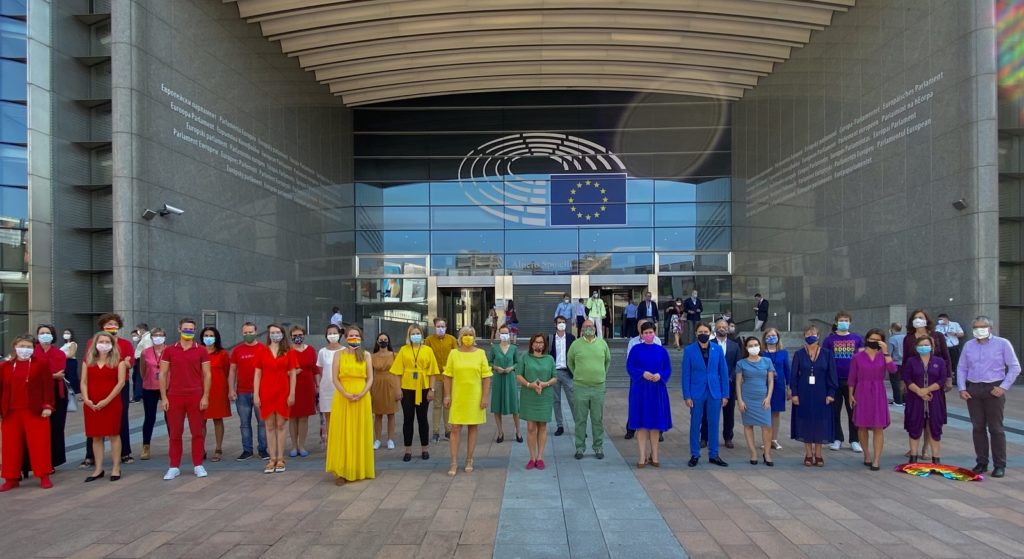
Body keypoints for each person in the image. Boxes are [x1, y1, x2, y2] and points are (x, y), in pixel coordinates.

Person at [957, 316, 1020, 478]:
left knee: (996, 428)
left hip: (994, 387)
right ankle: (982, 462)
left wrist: (1003, 387)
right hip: (974, 388)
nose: (980, 329)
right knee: (977, 427)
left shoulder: (1002, 343)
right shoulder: (969, 345)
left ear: (990, 328)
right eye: (976, 327)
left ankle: (999, 465)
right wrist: (962, 388)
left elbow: (1014, 367)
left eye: (983, 326)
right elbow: (962, 367)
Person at [0, 335, 55, 491]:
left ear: (33, 348)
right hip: (10, 413)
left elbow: (48, 387)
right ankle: (11, 478)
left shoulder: (41, 364)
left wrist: (47, 406)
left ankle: (44, 476)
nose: (25, 349)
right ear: (15, 347)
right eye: (22, 345)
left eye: (28, 346)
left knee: (40, 444)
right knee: (10, 447)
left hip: (35, 411)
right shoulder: (5, 366)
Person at [159, 319, 212, 480]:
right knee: (175, 433)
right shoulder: (169, 350)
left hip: (195, 395)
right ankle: (174, 466)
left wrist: (205, 396)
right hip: (175, 395)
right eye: (185, 329)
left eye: (191, 329)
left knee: (197, 432)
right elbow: (162, 374)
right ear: (179, 329)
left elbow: (207, 374)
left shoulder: (201, 350)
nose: (188, 331)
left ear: (195, 331)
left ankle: (198, 464)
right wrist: (164, 397)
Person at [81, 313, 136, 468]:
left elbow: (128, 363)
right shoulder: (92, 342)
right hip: (96, 387)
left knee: (119, 423)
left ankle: (124, 453)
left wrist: (123, 364)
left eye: (114, 324)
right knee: (94, 426)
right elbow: (89, 362)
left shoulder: (125, 344)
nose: (111, 326)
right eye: (107, 324)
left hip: (118, 386)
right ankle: (90, 456)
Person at [326, 326, 375, 485]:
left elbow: (370, 378)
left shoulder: (366, 355)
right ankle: (341, 471)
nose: (354, 338)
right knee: (343, 433)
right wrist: (345, 393)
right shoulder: (338, 355)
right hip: (343, 397)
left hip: (362, 397)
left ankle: (359, 468)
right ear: (345, 337)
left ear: (361, 337)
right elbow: (335, 378)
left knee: (359, 431)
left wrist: (362, 393)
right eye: (351, 336)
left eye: (357, 336)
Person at [902, 309, 953, 459]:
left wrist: (948, 378)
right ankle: (914, 450)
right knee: (916, 416)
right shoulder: (909, 338)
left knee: (932, 417)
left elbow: (946, 357)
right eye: (915, 318)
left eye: (921, 317)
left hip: (934, 380)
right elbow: (905, 360)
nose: (918, 320)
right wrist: (905, 382)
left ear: (926, 320)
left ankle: (926, 448)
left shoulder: (937, 336)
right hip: (915, 379)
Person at [442, 326, 492, 476]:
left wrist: (484, 397)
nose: (468, 337)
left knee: (472, 427)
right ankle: (453, 462)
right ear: (460, 337)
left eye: (471, 334)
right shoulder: (454, 354)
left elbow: (486, 377)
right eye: (465, 334)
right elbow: (447, 375)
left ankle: (469, 459)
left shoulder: (481, 354)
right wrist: (447, 395)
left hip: (474, 397)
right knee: (455, 428)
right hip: (458, 396)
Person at [81, 332, 127, 482]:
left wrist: (107, 400)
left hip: (111, 403)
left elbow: (121, 383)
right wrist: (86, 399)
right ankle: (98, 468)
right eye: (101, 341)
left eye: (107, 342)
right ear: (95, 343)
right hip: (92, 404)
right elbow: (83, 381)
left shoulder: (118, 361)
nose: (104, 344)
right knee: (96, 437)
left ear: (112, 345)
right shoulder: (88, 361)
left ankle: (115, 467)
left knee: (114, 435)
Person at [682, 323, 729, 467]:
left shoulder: (717, 349)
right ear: (696, 333)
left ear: (710, 333)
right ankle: (695, 454)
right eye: (700, 331)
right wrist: (687, 395)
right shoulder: (689, 350)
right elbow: (686, 374)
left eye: (706, 331)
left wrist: (725, 394)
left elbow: (724, 372)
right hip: (696, 392)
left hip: (714, 391)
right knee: (695, 423)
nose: (703, 333)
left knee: (714, 423)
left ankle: (714, 454)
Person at [790, 325, 837, 467]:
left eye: (813, 333)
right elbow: (794, 376)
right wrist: (794, 394)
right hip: (803, 393)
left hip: (821, 393)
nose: (811, 335)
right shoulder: (799, 354)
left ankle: (819, 454)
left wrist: (831, 393)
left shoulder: (827, 354)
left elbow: (832, 375)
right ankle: (808, 454)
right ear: (804, 336)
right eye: (808, 333)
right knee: (805, 422)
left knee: (820, 422)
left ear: (818, 336)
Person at [391, 324, 439, 462]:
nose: (415, 335)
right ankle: (408, 450)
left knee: (423, 419)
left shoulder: (428, 350)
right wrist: (397, 389)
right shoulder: (403, 350)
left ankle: (425, 448)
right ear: (409, 336)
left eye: (418, 333)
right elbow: (396, 372)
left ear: (421, 335)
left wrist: (432, 389)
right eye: (413, 333)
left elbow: (433, 372)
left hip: (423, 387)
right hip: (407, 388)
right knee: (408, 419)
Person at [254, 324, 298, 474]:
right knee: (269, 425)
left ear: (282, 334)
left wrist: (292, 393)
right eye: (272, 332)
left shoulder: (289, 352)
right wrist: (256, 394)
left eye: (278, 332)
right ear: (268, 334)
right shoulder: (262, 351)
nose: (275, 335)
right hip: (266, 391)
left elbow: (293, 373)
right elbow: (257, 374)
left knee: (281, 424)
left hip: (282, 392)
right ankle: (271, 458)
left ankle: (280, 458)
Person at [626, 322, 671, 467]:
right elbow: (630, 366)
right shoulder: (635, 349)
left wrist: (660, 375)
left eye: (650, 332)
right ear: (641, 334)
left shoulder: (661, 351)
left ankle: (655, 456)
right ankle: (641, 456)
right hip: (640, 389)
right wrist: (642, 373)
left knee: (655, 424)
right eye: (645, 333)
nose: (648, 335)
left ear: (655, 333)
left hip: (657, 389)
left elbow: (667, 369)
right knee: (642, 424)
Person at [849, 329, 895, 471]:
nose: (874, 342)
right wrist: (851, 394)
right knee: (862, 425)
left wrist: (886, 352)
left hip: (878, 391)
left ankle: (876, 459)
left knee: (878, 426)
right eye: (872, 339)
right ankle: (867, 455)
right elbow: (852, 377)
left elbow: (893, 370)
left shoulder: (883, 356)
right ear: (867, 339)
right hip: (862, 391)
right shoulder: (858, 357)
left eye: (878, 339)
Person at [569, 318, 611, 460]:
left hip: (598, 387)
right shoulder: (575, 345)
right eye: (586, 326)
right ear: (581, 329)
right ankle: (579, 448)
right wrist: (578, 374)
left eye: (591, 326)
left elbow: (607, 361)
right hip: (581, 387)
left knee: (597, 419)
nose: (589, 328)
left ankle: (598, 447)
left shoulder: (602, 343)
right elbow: (570, 362)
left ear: (594, 328)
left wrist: (601, 375)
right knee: (580, 419)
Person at [822, 311, 863, 453]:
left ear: (850, 322)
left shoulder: (857, 339)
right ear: (836, 322)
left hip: (853, 381)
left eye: (846, 320)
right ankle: (837, 438)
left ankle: (855, 440)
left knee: (853, 411)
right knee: (835, 411)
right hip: (834, 381)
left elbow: (862, 360)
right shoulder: (829, 340)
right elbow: (825, 360)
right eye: (841, 320)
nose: (843, 322)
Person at [229, 322, 269, 461]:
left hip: (260, 392)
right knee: (244, 423)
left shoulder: (264, 349)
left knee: (262, 423)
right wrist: (231, 389)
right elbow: (232, 370)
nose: (248, 335)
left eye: (250, 332)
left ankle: (263, 450)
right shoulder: (237, 350)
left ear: (256, 332)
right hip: (242, 392)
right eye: (245, 332)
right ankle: (247, 450)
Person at [516, 334, 556, 470]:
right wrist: (530, 384)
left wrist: (544, 384)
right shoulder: (525, 357)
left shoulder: (549, 359)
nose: (538, 345)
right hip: (529, 395)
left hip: (544, 395)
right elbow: (518, 375)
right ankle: (532, 458)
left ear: (544, 345)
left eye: (541, 342)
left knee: (542, 427)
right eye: (536, 342)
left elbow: (555, 377)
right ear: (531, 344)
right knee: (531, 427)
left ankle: (540, 457)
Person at [735, 336, 775, 466]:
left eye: (756, 345)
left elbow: (770, 381)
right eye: (750, 345)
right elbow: (738, 383)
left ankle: (767, 453)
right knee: (748, 426)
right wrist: (740, 400)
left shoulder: (767, 361)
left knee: (767, 426)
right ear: (746, 348)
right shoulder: (741, 363)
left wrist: (768, 397)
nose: (754, 348)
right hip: (747, 397)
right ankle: (753, 453)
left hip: (763, 397)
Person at [701, 319, 740, 449]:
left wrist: (730, 377)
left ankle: (728, 437)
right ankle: (704, 438)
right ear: (715, 329)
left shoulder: (734, 345)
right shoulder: (708, 344)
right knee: (707, 413)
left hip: (728, 384)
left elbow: (737, 364)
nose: (722, 328)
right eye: (719, 327)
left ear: (728, 328)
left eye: (724, 326)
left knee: (729, 413)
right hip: (711, 384)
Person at [34, 324, 68, 471]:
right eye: (41, 333)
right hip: (37, 394)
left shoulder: (59, 353)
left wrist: (47, 375)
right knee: (39, 429)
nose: (44, 335)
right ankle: (37, 460)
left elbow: (59, 371)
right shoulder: (32, 352)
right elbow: (33, 373)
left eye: (47, 333)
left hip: (57, 393)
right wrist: (51, 375)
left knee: (55, 428)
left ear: (53, 335)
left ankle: (52, 462)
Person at [201, 327, 230, 463]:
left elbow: (227, 371)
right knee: (201, 420)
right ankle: (200, 449)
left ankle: (218, 448)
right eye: (206, 335)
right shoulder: (198, 352)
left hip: (218, 390)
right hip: (200, 390)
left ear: (216, 337)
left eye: (211, 335)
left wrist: (230, 389)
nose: (208, 337)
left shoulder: (222, 353)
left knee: (217, 419)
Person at [425, 318, 457, 443]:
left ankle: (448, 430)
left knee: (448, 403)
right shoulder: (429, 340)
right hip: (436, 376)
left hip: (449, 376)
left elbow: (456, 355)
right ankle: (436, 431)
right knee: (437, 404)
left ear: (446, 327)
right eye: (438, 326)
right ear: (434, 326)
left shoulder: (452, 339)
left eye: (443, 326)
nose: (440, 328)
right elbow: (426, 356)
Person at [488, 325, 522, 444]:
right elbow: (489, 362)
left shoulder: (513, 348)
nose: (504, 336)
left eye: (506, 333)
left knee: (515, 407)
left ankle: (518, 431)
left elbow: (518, 362)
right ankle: (500, 432)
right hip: (498, 379)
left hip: (510, 378)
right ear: (498, 334)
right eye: (502, 333)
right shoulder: (494, 348)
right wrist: (495, 367)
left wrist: (511, 368)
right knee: (497, 406)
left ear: (509, 335)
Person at [288, 326, 317, 458]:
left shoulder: (310, 350)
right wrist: (291, 373)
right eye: (294, 335)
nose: (297, 337)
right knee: (292, 417)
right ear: (291, 336)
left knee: (304, 418)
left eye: (300, 334)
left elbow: (315, 369)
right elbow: (281, 369)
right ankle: (294, 446)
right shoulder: (287, 351)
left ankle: (302, 445)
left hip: (307, 386)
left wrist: (317, 385)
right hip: (292, 387)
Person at [139, 328, 167, 460]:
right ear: (151, 337)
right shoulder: (146, 352)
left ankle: (173, 445)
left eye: (161, 335)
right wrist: (147, 379)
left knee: (170, 417)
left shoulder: (169, 351)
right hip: (149, 387)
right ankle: (146, 446)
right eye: (155, 335)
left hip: (167, 387)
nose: (158, 337)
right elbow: (142, 370)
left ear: (165, 337)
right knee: (149, 418)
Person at [763, 328, 790, 450]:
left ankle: (774, 439)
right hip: (764, 385)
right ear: (764, 337)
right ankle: (766, 439)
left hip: (779, 385)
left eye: (774, 335)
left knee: (776, 413)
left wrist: (790, 387)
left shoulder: (783, 353)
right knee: (765, 412)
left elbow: (787, 370)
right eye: (769, 335)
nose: (771, 337)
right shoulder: (762, 353)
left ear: (778, 337)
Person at [370, 332, 398, 450]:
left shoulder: (394, 355)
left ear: (388, 341)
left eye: (385, 339)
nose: (383, 341)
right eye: (381, 339)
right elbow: (369, 373)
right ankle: (377, 439)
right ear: (377, 341)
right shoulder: (372, 356)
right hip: (377, 384)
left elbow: (398, 373)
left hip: (391, 383)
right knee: (378, 414)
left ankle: (390, 439)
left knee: (391, 413)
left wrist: (398, 388)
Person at [549, 315, 576, 436]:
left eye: (564, 322)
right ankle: (560, 425)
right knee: (556, 400)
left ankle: (578, 425)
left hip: (567, 372)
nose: (561, 324)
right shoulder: (550, 338)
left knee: (573, 400)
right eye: (559, 322)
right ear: (555, 324)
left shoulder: (571, 338)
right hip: (554, 373)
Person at [317, 324, 344, 442]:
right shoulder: (322, 352)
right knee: (328, 417)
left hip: (341, 389)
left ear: (340, 334)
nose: (332, 335)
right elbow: (321, 370)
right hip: (326, 389)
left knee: (341, 417)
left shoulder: (345, 351)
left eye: (334, 333)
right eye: (330, 333)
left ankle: (341, 442)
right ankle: (331, 443)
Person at [935, 313, 964, 378]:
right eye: (939, 319)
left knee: (954, 362)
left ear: (946, 319)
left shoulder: (955, 324)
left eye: (941, 319)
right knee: (944, 362)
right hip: (943, 348)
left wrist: (954, 334)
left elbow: (962, 334)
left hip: (953, 347)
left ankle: (954, 377)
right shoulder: (938, 326)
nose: (939, 321)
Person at [131, 324, 153, 403]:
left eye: (137, 330)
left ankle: (138, 396)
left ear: (142, 329)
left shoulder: (147, 338)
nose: (137, 332)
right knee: (137, 377)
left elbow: (147, 350)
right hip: (139, 359)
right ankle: (139, 395)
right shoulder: (144, 337)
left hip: (141, 360)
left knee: (138, 378)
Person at [887, 323, 906, 406]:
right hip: (905, 363)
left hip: (895, 363)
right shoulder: (905, 337)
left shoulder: (892, 339)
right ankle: (905, 400)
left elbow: (889, 353)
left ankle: (898, 400)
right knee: (904, 381)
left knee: (895, 382)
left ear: (892, 329)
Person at [60, 329, 79, 401]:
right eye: (64, 333)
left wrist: (60, 356)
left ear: (71, 335)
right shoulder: (65, 344)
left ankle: (74, 394)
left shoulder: (73, 343)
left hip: (71, 362)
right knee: (66, 378)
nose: (66, 334)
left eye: (68, 333)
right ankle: (68, 394)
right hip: (64, 362)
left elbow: (71, 354)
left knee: (72, 377)